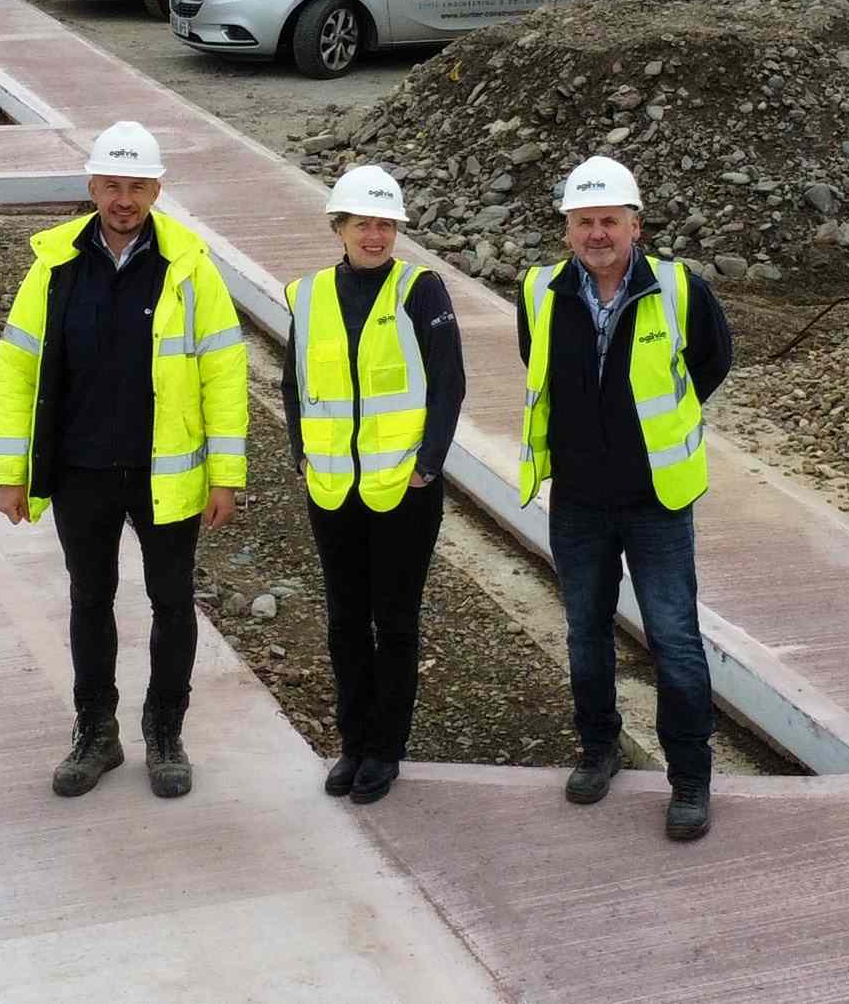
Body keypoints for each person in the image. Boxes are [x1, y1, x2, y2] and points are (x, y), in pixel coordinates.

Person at [0, 120, 247, 800]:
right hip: (80, 469)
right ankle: (96, 733)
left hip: (166, 472)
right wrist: (10, 471)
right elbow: (17, 369)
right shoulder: (53, 267)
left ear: (157, 188)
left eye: (136, 185)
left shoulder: (189, 267)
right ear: (91, 185)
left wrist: (226, 472)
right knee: (89, 595)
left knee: (171, 600)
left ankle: (164, 732)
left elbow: (224, 372)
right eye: (111, 184)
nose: (123, 198)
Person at [516, 154, 734, 842]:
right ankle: (597, 747)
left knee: (673, 636)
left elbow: (712, 359)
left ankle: (690, 779)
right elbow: (538, 365)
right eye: (583, 221)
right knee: (585, 632)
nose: (596, 232)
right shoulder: (539, 291)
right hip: (578, 499)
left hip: (655, 499)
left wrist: (659, 424)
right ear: (566, 229)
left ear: (635, 225)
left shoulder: (676, 288)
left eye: (609, 219)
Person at [293, 165, 466, 805]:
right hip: (334, 489)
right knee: (344, 620)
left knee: (394, 622)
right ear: (338, 227)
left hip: (404, 492)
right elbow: (294, 382)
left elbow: (449, 384)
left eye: (386, 224)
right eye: (363, 223)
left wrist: (430, 464)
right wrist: (302, 457)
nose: (375, 235)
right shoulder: (309, 295)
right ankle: (353, 743)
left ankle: (385, 750)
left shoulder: (421, 290)